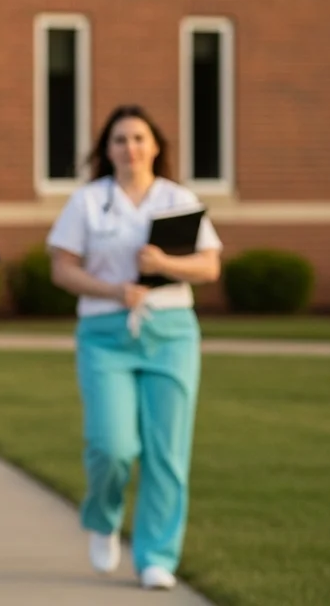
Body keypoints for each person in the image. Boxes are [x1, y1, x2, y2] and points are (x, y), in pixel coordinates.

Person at [44, 104, 222, 591]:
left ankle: (156, 557)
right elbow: (62, 269)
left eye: (139, 138)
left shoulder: (178, 198)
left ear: (156, 146)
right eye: (120, 140)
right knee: (112, 446)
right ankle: (103, 519)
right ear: (107, 150)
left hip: (171, 333)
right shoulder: (88, 201)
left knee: (167, 453)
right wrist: (114, 291)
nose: (130, 148)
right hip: (105, 335)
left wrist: (165, 263)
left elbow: (209, 268)